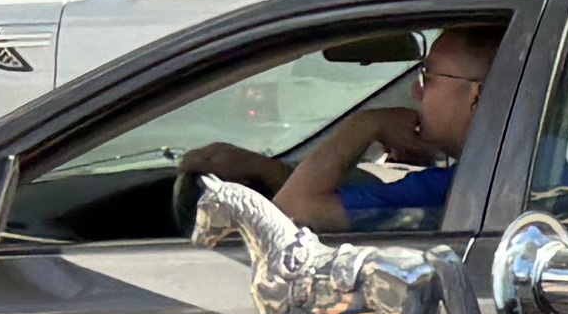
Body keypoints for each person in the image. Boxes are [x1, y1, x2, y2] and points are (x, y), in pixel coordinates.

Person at [189, 23, 495, 234]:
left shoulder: (452, 191)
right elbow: (346, 198)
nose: (416, 92)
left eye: (428, 78)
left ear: (477, 96)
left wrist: (365, 125)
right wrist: (262, 168)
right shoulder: (493, 178)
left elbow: (291, 212)